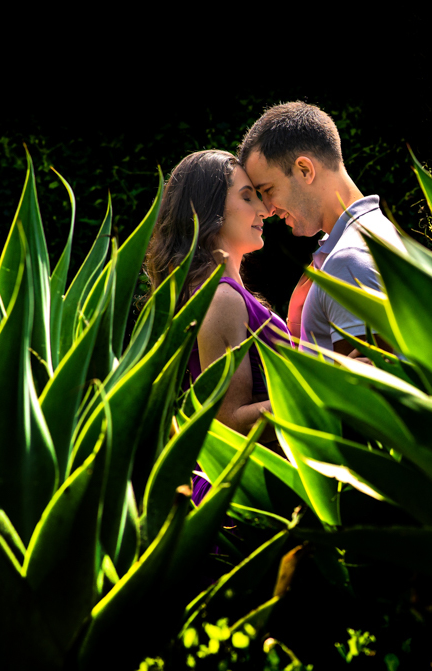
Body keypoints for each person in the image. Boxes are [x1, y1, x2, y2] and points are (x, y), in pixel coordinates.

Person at [144, 149, 290, 504]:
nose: (264, 210)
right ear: (208, 211)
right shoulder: (221, 297)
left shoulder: (219, 292)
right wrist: (324, 388)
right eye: (246, 197)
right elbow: (228, 423)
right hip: (241, 498)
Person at [237, 101, 403, 360]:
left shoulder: (349, 258)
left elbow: (358, 393)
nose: (268, 210)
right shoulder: (376, 233)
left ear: (305, 169)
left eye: (268, 190)